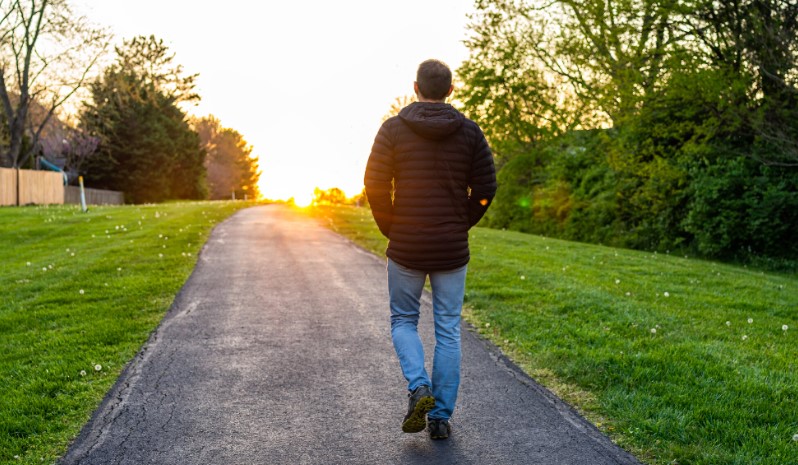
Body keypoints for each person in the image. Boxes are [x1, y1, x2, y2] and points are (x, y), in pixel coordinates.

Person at [364, 59, 497, 440]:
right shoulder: (470, 132)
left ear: (415, 88)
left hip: (406, 244)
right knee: (448, 329)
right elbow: (486, 190)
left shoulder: (392, 129)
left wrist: (391, 226)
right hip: (451, 249)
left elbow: (374, 184)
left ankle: (418, 386)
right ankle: (439, 417)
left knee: (403, 320)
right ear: (450, 90)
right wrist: (461, 222)